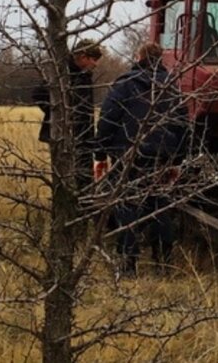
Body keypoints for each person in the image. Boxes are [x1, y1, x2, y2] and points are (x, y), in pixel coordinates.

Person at [94, 42, 188, 276]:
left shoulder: (125, 84)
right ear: (160, 60)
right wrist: (178, 159)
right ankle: (163, 262)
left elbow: (108, 119)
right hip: (162, 156)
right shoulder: (173, 87)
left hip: (127, 153)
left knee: (127, 207)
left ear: (139, 57)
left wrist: (100, 154)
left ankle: (128, 263)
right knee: (160, 206)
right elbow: (184, 125)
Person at [31, 39, 103, 191]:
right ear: (83, 56)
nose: (96, 64)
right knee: (67, 182)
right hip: (64, 137)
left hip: (84, 137)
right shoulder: (62, 72)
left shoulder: (84, 75)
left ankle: (83, 210)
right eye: (93, 59)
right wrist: (59, 113)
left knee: (85, 181)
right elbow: (38, 93)